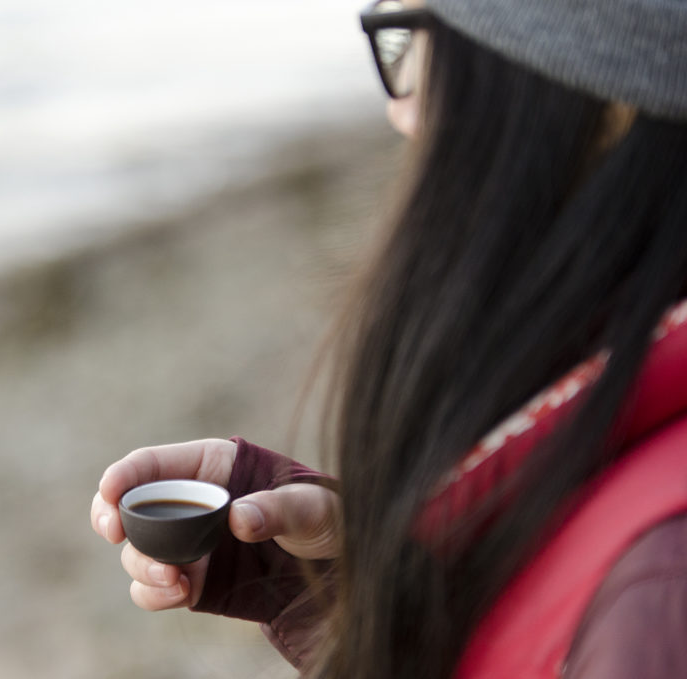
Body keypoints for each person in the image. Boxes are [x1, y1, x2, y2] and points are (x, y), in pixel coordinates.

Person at [90, 0, 687, 676]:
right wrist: (364, 588)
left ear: (606, 95)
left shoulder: (657, 601)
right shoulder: (627, 449)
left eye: (413, 37)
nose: (399, 110)